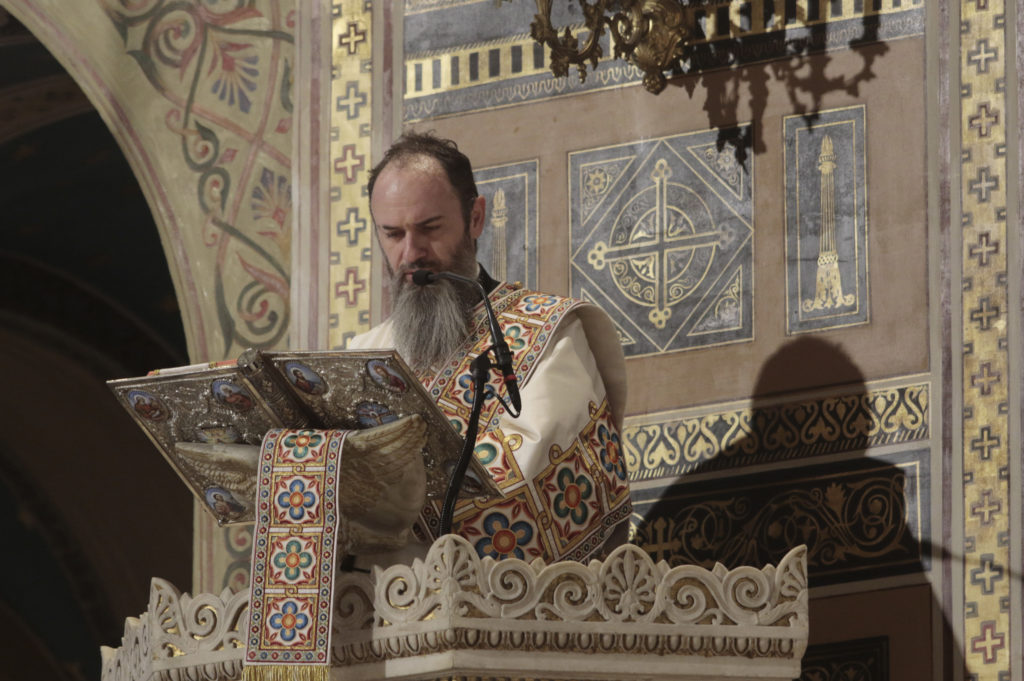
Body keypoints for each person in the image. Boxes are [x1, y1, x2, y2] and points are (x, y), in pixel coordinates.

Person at [347, 132, 631, 564]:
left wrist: (381, 504)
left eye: (429, 228)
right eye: (392, 234)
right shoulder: (364, 353)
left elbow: (531, 483)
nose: (411, 253)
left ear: (475, 218)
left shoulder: (550, 333)